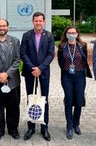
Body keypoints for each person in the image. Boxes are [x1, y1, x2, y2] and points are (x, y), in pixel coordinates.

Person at [20, 12, 55, 141]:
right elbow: (23, 53)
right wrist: (32, 68)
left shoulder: (49, 36)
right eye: (36, 21)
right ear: (32, 21)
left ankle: (44, 128)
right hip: (30, 72)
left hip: (44, 72)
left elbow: (51, 54)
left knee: (44, 99)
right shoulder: (26, 35)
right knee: (31, 98)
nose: (38, 23)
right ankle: (31, 127)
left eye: (40, 21)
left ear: (44, 22)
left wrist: (40, 68)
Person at [57, 26, 92, 139]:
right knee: (68, 99)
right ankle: (69, 124)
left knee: (78, 101)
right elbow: (60, 62)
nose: (71, 34)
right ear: (66, 34)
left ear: (77, 34)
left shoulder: (82, 45)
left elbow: (84, 59)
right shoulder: (62, 46)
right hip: (67, 76)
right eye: (69, 32)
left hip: (80, 76)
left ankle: (76, 123)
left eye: (73, 32)